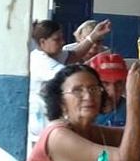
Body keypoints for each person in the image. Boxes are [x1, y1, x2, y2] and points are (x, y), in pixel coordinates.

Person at [28, 19, 112, 147]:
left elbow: (75, 55)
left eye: (62, 38)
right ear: (42, 42)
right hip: (42, 124)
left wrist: (94, 35)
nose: (63, 42)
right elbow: (71, 76)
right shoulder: (40, 61)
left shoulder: (54, 54)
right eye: (57, 39)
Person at [88, 52, 139, 127]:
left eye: (118, 83)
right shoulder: (80, 111)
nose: (113, 91)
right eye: (105, 83)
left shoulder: (133, 110)